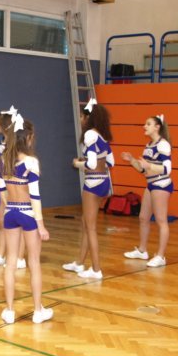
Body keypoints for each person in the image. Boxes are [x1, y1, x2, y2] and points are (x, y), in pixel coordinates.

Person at [0, 114, 52, 324]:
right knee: (34, 262)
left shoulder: (4, 160)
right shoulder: (31, 162)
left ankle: (9, 310)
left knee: (10, 261)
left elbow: (2, 190)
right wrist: (41, 225)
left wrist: (8, 206)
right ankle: (38, 310)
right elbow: (35, 196)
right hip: (28, 213)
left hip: (10, 213)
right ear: (28, 138)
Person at [64, 97, 113, 279]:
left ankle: (96, 269)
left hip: (92, 183)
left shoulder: (90, 135)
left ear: (88, 117)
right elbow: (110, 162)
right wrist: (89, 162)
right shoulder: (102, 136)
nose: (80, 119)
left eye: (82, 116)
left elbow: (91, 164)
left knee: (90, 228)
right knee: (87, 223)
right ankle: (80, 263)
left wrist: (78, 163)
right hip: (103, 181)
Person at [123, 114, 172, 268]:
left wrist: (149, 166)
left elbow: (167, 169)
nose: (144, 126)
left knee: (161, 221)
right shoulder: (149, 145)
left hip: (161, 184)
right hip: (150, 184)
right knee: (143, 218)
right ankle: (142, 250)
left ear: (157, 127)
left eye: (148, 124)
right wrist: (132, 160)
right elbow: (143, 170)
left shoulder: (163, 145)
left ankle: (161, 256)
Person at [0, 109, 26, 271]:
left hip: (12, 186)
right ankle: (1, 254)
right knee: (2, 222)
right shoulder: (2, 142)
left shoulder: (15, 144)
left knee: (18, 222)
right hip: (1, 183)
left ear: (4, 125)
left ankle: (19, 257)